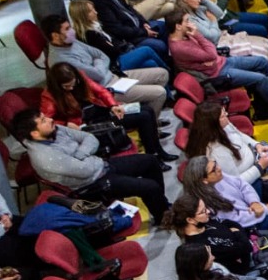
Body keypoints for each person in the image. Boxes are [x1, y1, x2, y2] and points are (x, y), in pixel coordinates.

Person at [13, 109, 170, 223]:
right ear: (34, 134)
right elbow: (85, 171)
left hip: (100, 165)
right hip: (92, 184)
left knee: (150, 161)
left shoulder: (55, 130)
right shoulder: (45, 157)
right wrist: (85, 156)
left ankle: (162, 206)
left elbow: (90, 138)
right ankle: (164, 218)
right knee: (150, 187)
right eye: (43, 121)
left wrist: (79, 155)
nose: (49, 119)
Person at [162, 195, 268, 280]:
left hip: (257, 244)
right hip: (254, 263)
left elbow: (231, 223)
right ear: (190, 220)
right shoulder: (200, 246)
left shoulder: (206, 222)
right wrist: (237, 234)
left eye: (205, 208)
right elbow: (243, 247)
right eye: (202, 211)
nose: (208, 212)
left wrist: (237, 234)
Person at [41, 63, 174, 164]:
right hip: (86, 125)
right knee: (143, 116)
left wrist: (113, 105)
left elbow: (101, 91)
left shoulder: (80, 76)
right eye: (67, 87)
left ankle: (156, 151)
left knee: (147, 110)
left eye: (73, 84)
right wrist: (67, 124)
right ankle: (154, 155)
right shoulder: (49, 96)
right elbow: (49, 121)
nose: (71, 88)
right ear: (58, 86)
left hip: (101, 110)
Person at [41, 13, 170, 118]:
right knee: (159, 93)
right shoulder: (61, 60)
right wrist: (97, 63)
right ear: (55, 35)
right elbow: (97, 74)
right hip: (108, 89)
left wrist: (96, 63)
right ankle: (151, 127)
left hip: (115, 75)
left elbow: (101, 55)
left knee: (162, 74)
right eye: (67, 29)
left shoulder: (72, 42)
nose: (72, 31)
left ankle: (148, 115)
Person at [167, 10, 268, 118]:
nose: (191, 24)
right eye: (187, 21)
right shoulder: (179, 47)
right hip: (216, 74)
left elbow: (210, 48)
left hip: (221, 62)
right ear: (178, 26)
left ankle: (263, 105)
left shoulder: (186, 35)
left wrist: (208, 55)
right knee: (261, 79)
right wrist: (198, 36)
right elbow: (211, 54)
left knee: (261, 62)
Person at [184, 101, 268, 196]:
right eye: (223, 116)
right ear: (213, 123)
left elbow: (239, 135)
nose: (227, 115)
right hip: (253, 179)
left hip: (257, 159)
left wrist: (257, 145)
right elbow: (236, 182)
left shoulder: (223, 126)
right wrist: (260, 166)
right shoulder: (216, 152)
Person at [180, 155, 268, 232]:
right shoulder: (208, 203)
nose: (219, 169)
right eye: (213, 170)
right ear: (204, 180)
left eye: (215, 164)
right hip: (249, 225)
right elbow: (237, 221)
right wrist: (266, 209)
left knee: (260, 183)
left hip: (253, 210)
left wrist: (254, 202)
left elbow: (242, 184)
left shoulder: (219, 176)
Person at [81, 0, 169, 59]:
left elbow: (128, 7)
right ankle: (166, 66)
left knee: (164, 26)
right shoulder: (96, 2)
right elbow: (117, 29)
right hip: (128, 37)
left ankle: (171, 60)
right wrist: (143, 32)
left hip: (136, 26)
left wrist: (143, 22)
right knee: (159, 45)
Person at [68, 0, 170, 74]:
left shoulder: (97, 26)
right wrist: (112, 45)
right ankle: (169, 70)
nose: (96, 12)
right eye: (91, 11)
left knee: (151, 63)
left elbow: (113, 43)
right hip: (115, 64)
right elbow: (112, 51)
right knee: (147, 50)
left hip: (121, 54)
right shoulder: (89, 34)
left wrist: (112, 44)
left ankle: (168, 94)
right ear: (83, 15)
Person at [179, 0, 268, 41]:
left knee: (264, 19)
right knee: (260, 30)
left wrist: (204, 0)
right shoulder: (188, 18)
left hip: (226, 19)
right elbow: (212, 36)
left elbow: (219, 12)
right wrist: (213, 20)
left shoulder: (198, 7)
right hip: (223, 29)